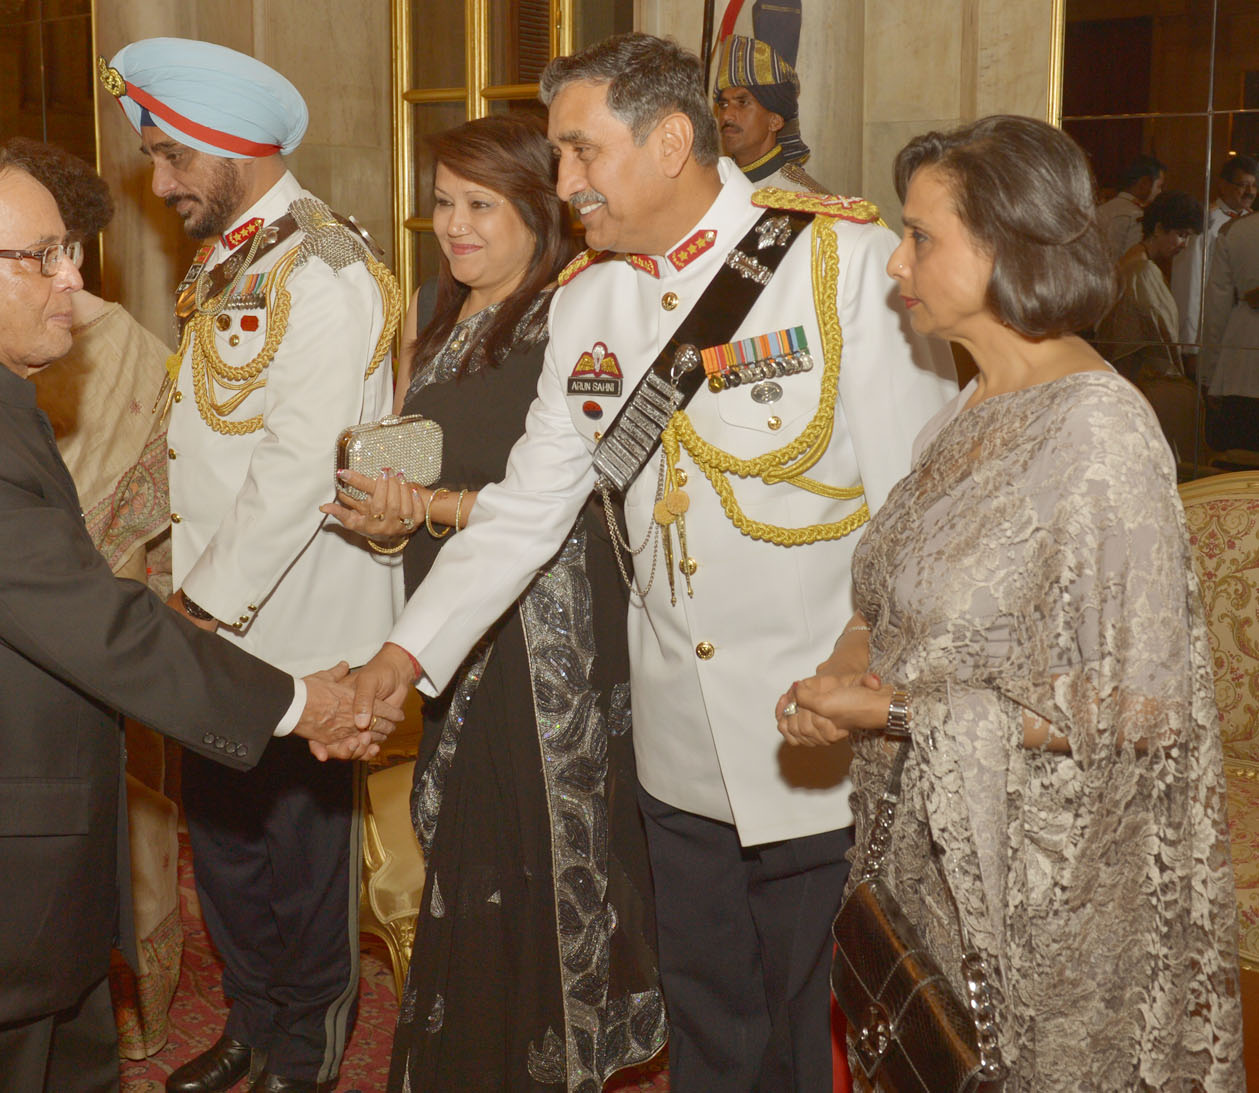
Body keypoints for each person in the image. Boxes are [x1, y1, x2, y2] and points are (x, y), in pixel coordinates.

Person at [350, 32, 955, 1092]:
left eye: (581, 152)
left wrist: (870, 671)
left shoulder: (839, 263)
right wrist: (397, 663)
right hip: (678, 746)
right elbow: (523, 513)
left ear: (670, 140)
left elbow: (920, 507)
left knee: (827, 1040)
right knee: (710, 1026)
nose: (563, 181)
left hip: (823, 739)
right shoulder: (591, 305)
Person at [0, 142, 400, 1093]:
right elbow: (93, 623)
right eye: (40, 256)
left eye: (70, 251)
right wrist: (298, 702)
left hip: (12, 852)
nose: (72, 277)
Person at [782, 114, 1244, 1089]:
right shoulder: (970, 405)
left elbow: (1143, 712)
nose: (895, 259)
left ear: (1002, 249)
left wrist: (897, 711)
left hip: (1042, 903)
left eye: (920, 235)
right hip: (934, 854)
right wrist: (840, 674)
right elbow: (897, 593)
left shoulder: (1100, 433)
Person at [323, 115, 666, 1091]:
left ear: (537, 209)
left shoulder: (574, 315)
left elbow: (597, 492)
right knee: (465, 864)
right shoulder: (439, 306)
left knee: (531, 859)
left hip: (541, 632)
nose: (455, 225)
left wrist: (422, 504)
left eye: (481, 204)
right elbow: (405, 455)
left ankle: (542, 1063)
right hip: (451, 617)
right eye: (441, 202)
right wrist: (380, 508)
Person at [102, 39, 404, 1093]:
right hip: (223, 611)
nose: (159, 180)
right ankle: (249, 1017)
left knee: (295, 853)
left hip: (296, 619)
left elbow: (296, 467)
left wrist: (195, 607)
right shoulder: (240, 257)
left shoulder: (323, 268)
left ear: (228, 146)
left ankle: (305, 1044)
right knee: (225, 842)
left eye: (170, 157)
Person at [9, 135, 183, 1061]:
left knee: (108, 816)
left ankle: (125, 1002)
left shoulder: (131, 351)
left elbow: (154, 510)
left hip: (97, 632)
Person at [1095, 189, 1202, 380]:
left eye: (1188, 237)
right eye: (1181, 234)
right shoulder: (1141, 271)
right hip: (1137, 377)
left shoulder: (1141, 263)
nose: (1184, 244)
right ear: (1159, 228)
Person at [711, 34, 824, 192]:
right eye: (723, 104)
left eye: (742, 103)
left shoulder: (805, 201)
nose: (727, 115)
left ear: (775, 121)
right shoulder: (708, 189)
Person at [1171, 153, 1256, 360]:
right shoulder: (1206, 221)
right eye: (1243, 185)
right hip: (1209, 327)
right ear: (1223, 186)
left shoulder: (1252, 224)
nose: (1250, 192)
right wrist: (1190, 344)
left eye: (1254, 186)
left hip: (1243, 326)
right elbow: (1190, 284)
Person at [1205, 205, 1259, 450]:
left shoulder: (1236, 231)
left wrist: (1212, 375)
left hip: (1241, 365)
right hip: (1241, 360)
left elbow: (1217, 309)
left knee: (1237, 475)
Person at [1097, 154, 1166, 262]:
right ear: (1144, 183)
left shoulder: (1101, 209)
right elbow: (1132, 262)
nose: (1160, 192)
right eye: (1159, 186)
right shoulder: (1136, 216)